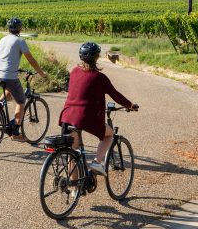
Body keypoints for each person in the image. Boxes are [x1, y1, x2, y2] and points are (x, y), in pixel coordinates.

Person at [58, 41, 138, 175]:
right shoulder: (100, 78)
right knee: (109, 134)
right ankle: (96, 163)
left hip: (67, 116)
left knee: (72, 153)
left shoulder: (74, 71)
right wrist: (130, 105)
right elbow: (116, 95)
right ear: (97, 57)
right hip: (85, 118)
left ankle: (73, 189)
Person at [0, 17, 48, 141]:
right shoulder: (20, 41)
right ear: (20, 28)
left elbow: (7, 57)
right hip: (9, 75)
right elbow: (31, 60)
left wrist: (16, 67)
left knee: (8, 91)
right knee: (21, 101)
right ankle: (16, 132)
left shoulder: (3, 39)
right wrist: (41, 73)